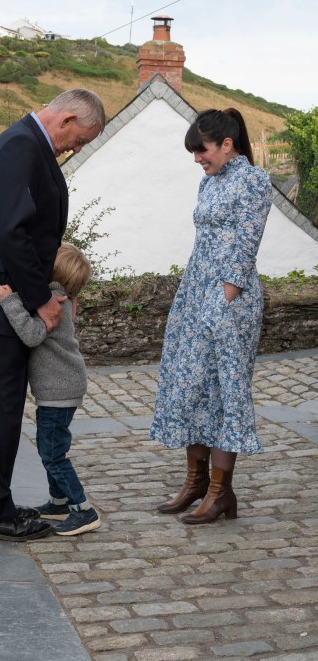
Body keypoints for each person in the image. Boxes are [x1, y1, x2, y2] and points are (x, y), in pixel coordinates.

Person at [0, 88, 105, 542]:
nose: (77, 147)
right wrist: (40, 300)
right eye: (81, 138)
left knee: (1, 408)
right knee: (0, 411)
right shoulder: (21, 144)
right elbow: (13, 233)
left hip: (4, 296)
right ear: (69, 117)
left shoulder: (28, 143)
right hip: (3, 297)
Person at [150, 108, 272, 524]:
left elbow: (246, 243)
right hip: (197, 289)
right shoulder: (209, 182)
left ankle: (220, 491)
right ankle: (196, 482)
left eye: (201, 150)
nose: (197, 159)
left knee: (222, 391)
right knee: (191, 385)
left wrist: (225, 297)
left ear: (227, 143)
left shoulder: (253, 180)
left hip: (228, 298)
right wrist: (195, 297)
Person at [0, 243, 101, 536]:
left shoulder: (54, 299)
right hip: (62, 385)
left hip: (59, 388)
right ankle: (59, 502)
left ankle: (83, 510)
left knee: (52, 452)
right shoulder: (64, 297)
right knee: (51, 446)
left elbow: (31, 335)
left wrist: (10, 302)